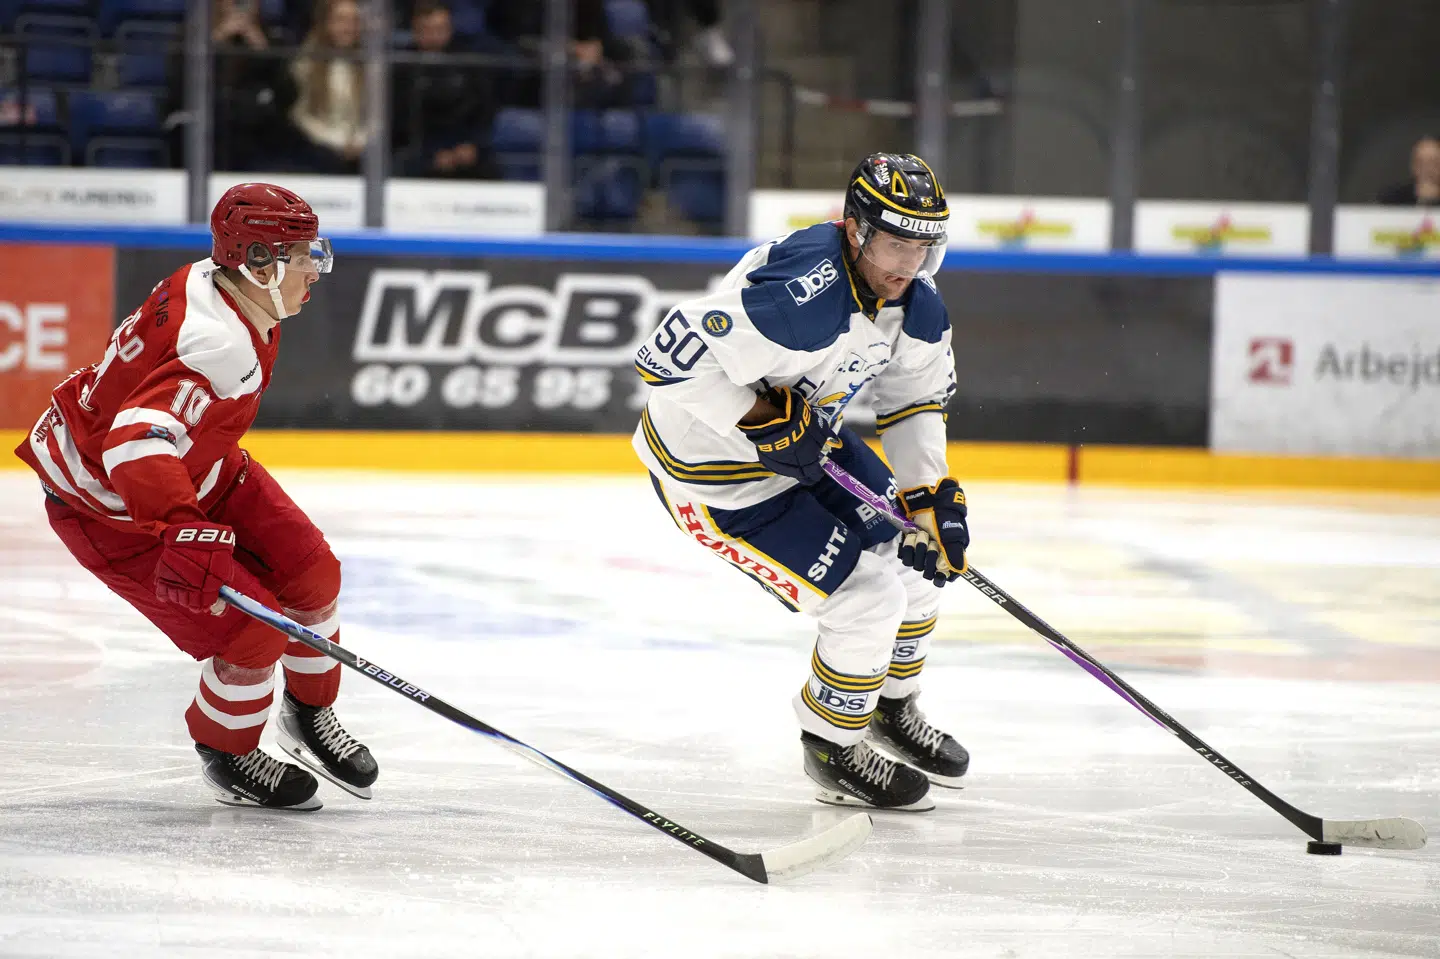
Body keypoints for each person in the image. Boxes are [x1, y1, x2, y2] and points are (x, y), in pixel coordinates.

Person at [13, 183, 378, 812]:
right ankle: (229, 752)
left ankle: (308, 713)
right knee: (251, 635)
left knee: (312, 574)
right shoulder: (218, 341)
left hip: (200, 467)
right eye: (303, 254)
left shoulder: (219, 284)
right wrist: (182, 526)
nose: (316, 267)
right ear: (259, 262)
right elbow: (133, 442)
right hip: (115, 509)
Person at [632, 153, 967, 812]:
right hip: (719, 481)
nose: (908, 264)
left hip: (811, 440)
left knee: (919, 564)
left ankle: (889, 708)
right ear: (855, 231)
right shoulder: (800, 296)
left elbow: (915, 400)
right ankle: (832, 745)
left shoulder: (917, 306)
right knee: (867, 600)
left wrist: (930, 496)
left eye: (922, 247)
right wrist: (757, 416)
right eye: (895, 243)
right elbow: (660, 361)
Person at [392, 1, 498, 179]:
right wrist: (431, 154)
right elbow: (398, 122)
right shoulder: (402, 66)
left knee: (489, 167)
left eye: (441, 29)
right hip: (418, 150)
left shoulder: (468, 62)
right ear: (416, 31)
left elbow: (485, 109)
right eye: (428, 29)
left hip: (463, 147)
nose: (435, 36)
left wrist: (471, 145)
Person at [290, 0, 368, 173]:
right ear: (326, 23)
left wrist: (360, 141)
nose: (349, 27)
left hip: (360, 148)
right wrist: (338, 142)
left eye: (354, 21)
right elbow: (301, 115)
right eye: (341, 20)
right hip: (321, 145)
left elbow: (374, 117)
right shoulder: (305, 63)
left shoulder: (369, 65)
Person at [1377, 136, 1440, 207]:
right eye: (1421, 163)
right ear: (1413, 166)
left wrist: (1434, 200)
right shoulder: (1394, 197)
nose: (1427, 169)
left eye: (1434, 163)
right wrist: (1422, 200)